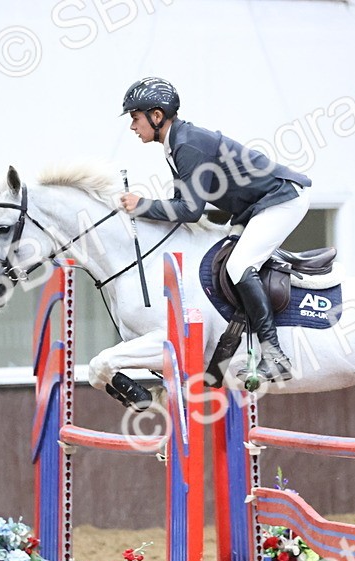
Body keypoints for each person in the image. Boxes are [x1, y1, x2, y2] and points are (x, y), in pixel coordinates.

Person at [118, 77, 311, 383]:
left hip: (281, 200)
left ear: (156, 116)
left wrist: (142, 205)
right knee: (224, 259)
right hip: (255, 207)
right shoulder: (177, 143)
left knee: (238, 265)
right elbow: (184, 203)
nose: (132, 126)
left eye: (135, 117)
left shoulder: (187, 144)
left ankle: (274, 354)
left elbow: (190, 211)